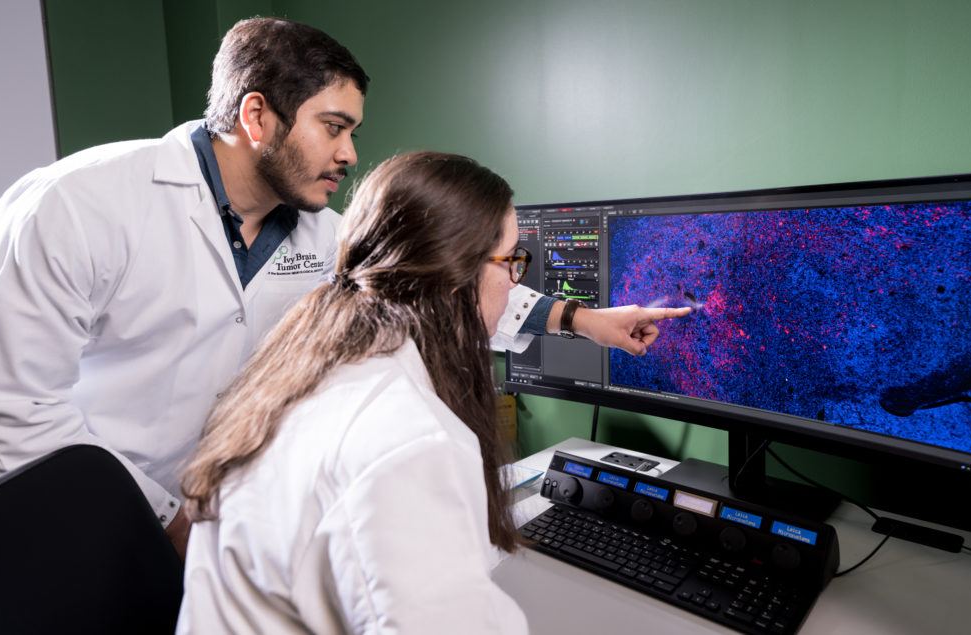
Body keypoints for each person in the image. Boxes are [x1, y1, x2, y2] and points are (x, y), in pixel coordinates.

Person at [0, 16, 690, 559]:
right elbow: (13, 409)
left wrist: (583, 320)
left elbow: (439, 291)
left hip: (231, 520)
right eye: (334, 127)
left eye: (353, 131)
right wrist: (168, 519)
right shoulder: (81, 206)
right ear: (257, 116)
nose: (351, 154)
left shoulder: (316, 233)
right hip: (95, 528)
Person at [177, 152, 693, 633]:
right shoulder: (407, 440)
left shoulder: (305, 359)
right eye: (512, 262)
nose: (516, 284)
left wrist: (586, 320)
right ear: (452, 275)